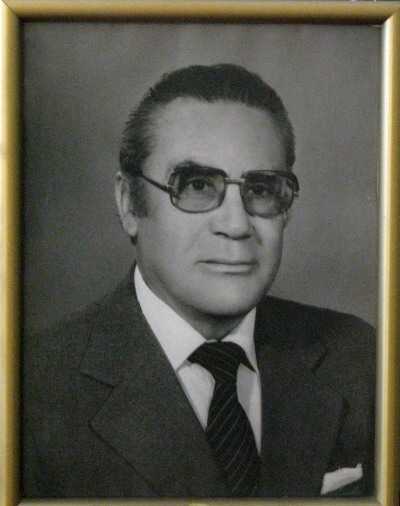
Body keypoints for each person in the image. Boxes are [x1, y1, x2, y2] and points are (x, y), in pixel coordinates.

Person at [23, 64, 375, 498]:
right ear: (129, 204)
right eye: (195, 186)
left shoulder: (359, 359)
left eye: (261, 189)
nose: (236, 225)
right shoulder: (30, 390)